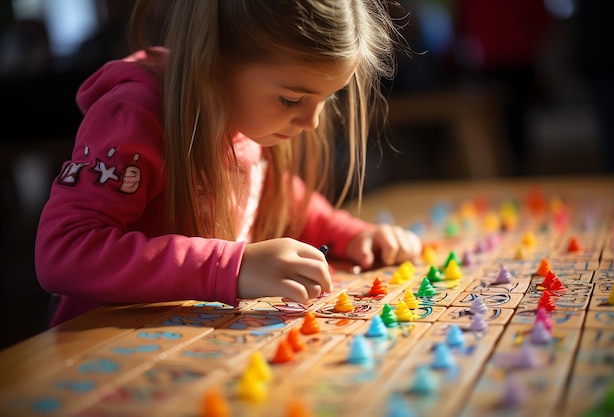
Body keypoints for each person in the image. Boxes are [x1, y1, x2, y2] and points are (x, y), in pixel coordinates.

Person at [35, 0, 422, 328]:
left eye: (328, 99)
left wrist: (350, 234)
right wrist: (232, 267)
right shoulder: (133, 115)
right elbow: (62, 253)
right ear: (213, 60)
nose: (313, 123)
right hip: (102, 351)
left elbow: (272, 190)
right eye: (291, 99)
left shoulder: (242, 115)